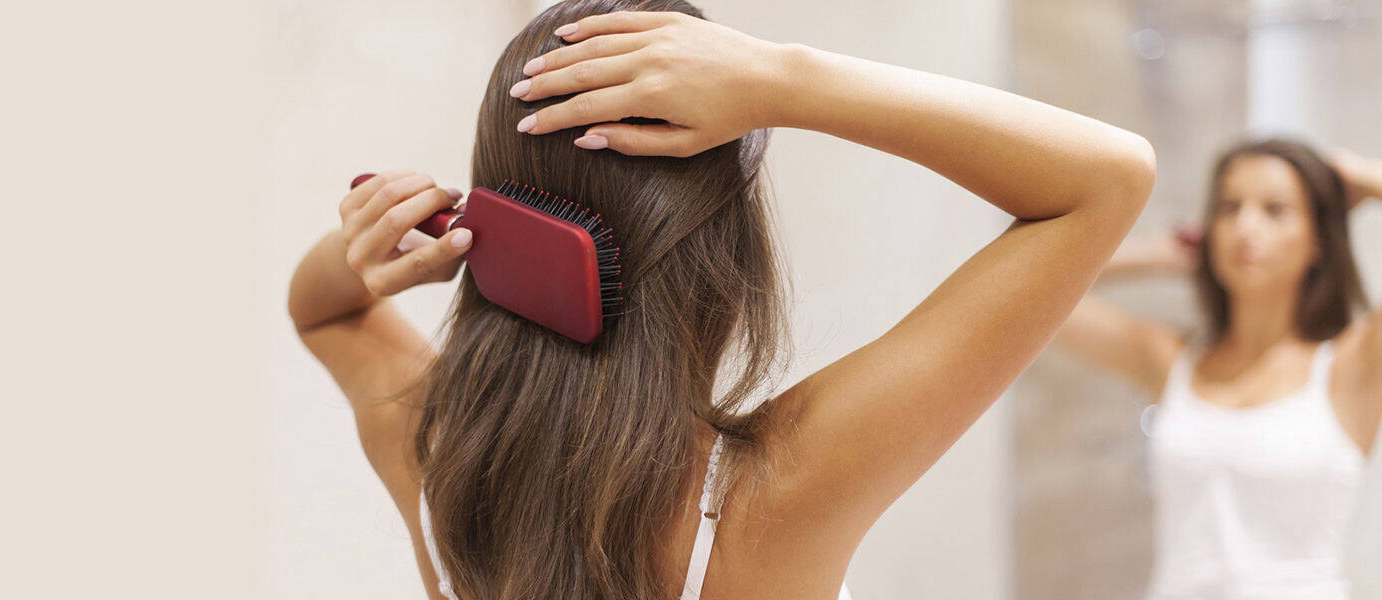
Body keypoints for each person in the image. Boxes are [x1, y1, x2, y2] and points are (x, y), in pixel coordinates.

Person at [289, 1, 1155, 598]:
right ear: (723, 251)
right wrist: (785, 77)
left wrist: (366, 251)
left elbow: (321, 312)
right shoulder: (771, 493)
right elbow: (1105, 178)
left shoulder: (430, 452)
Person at [1051, 139, 1382, 599]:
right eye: (1229, 208)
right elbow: (1030, 294)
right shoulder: (1171, 361)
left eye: (1274, 210)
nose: (1245, 226)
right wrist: (1154, 253)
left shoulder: (1353, 367)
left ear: (1319, 242)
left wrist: (1363, 176)